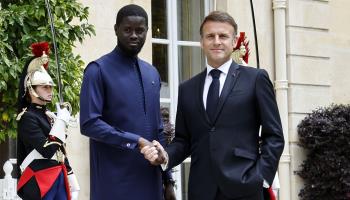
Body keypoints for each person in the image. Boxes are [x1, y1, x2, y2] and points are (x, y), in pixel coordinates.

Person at [142, 11, 285, 200]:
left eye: (223, 36)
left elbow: (274, 136)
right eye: (210, 36)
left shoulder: (256, 79)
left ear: (234, 42)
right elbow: (183, 140)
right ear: (202, 42)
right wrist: (165, 156)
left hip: (246, 188)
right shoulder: (187, 88)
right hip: (201, 190)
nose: (216, 41)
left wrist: (261, 177)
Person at [79, 4, 175, 200]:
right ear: (116, 30)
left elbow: (158, 129)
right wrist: (136, 141)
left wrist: (168, 179)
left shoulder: (152, 74)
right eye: (127, 29)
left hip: (151, 182)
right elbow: (89, 124)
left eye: (140, 30)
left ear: (147, 31)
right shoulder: (97, 70)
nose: (134, 35)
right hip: (113, 184)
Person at [16, 42, 80, 200]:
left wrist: (70, 174)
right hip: (39, 180)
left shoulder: (49, 116)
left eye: (50, 87)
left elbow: (60, 150)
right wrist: (61, 122)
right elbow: (47, 149)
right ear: (31, 89)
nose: (50, 90)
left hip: (58, 175)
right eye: (44, 87)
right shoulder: (27, 117)